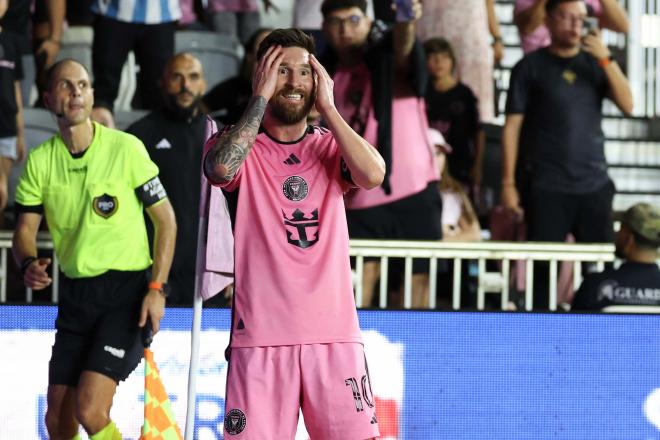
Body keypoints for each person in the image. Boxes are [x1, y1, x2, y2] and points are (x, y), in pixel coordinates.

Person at [203, 28, 383, 439]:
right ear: (260, 75)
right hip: (261, 341)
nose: (294, 82)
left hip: (334, 339)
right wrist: (259, 98)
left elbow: (373, 175)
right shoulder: (236, 145)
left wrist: (330, 108)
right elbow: (219, 169)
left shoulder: (330, 146)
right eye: (281, 71)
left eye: (303, 72)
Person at [11, 59, 177, 439]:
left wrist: (156, 289)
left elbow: (166, 221)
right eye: (66, 86)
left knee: (90, 408)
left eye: (83, 85)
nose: (76, 93)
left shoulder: (126, 148)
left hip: (127, 295)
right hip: (76, 297)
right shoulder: (40, 162)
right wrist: (27, 264)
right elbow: (24, 232)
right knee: (58, 421)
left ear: (92, 94)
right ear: (49, 97)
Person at [501, 0, 633, 308]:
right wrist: (508, 185)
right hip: (546, 186)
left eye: (582, 18)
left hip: (594, 185)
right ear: (548, 19)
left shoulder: (596, 63)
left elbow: (629, 105)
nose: (576, 25)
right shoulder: (529, 66)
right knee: (542, 275)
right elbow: (511, 128)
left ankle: (597, 336)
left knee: (599, 273)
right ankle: (541, 336)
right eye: (567, 17)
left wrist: (607, 59)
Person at [321, 0, 441, 309]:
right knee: (359, 285)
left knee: (416, 285)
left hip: (412, 189)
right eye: (336, 22)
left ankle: (417, 353)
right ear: (324, 27)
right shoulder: (321, 71)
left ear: (368, 20)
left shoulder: (384, 53)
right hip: (357, 197)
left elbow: (403, 50)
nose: (345, 30)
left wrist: (405, 21)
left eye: (353, 20)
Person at [128, 52, 208, 305]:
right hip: (155, 272)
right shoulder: (138, 136)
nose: (186, 85)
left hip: (206, 272)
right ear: (162, 82)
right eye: (177, 77)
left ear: (203, 84)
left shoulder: (220, 136)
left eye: (193, 77)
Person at [90, 0, 181, 128]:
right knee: (102, 95)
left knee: (159, 94)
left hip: (161, 16)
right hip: (112, 11)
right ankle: (98, 143)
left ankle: (157, 144)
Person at [416, 0, 503, 123]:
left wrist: (497, 38)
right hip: (433, 33)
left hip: (471, 41)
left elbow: (489, 4)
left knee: (473, 109)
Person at [572, 203, 660, 310]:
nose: (616, 233)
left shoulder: (595, 285)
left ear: (629, 240)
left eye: (621, 228)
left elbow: (573, 325)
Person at [424, 37, 485, 192]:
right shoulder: (419, 94)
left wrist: (477, 166)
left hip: (460, 165)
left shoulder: (464, 94)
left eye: (444, 57)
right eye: (432, 57)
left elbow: (478, 131)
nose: (439, 62)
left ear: (452, 61)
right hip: (427, 165)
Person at [202, 28, 272, 125]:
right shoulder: (233, 87)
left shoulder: (288, 87)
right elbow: (200, 109)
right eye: (261, 52)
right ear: (249, 56)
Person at [514, 0, 628, 54]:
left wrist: (606, 60)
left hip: (580, 67)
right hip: (539, 70)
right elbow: (527, 28)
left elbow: (623, 26)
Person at [0, 0, 26, 227]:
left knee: (1, 191)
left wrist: (20, 133)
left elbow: (16, 88)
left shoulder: (11, 41)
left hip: (7, 127)